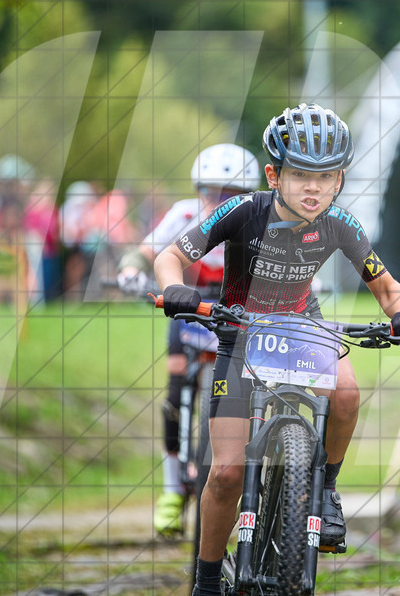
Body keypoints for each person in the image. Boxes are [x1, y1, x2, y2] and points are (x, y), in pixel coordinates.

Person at [154, 103, 400, 596]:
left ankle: (325, 492)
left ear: (340, 179)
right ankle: (207, 581)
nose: (313, 188)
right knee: (225, 473)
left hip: (303, 322)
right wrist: (176, 288)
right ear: (273, 174)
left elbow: (388, 289)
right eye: (299, 174)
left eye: (325, 177)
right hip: (240, 329)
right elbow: (171, 256)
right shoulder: (243, 210)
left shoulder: (342, 224)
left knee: (346, 394)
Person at [116, 144, 261, 536]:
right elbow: (144, 252)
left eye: (231, 194)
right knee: (175, 384)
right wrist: (130, 271)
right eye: (212, 192)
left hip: (236, 311)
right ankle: (171, 488)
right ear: (198, 191)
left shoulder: (259, 219)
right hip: (190, 308)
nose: (220, 201)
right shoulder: (182, 215)